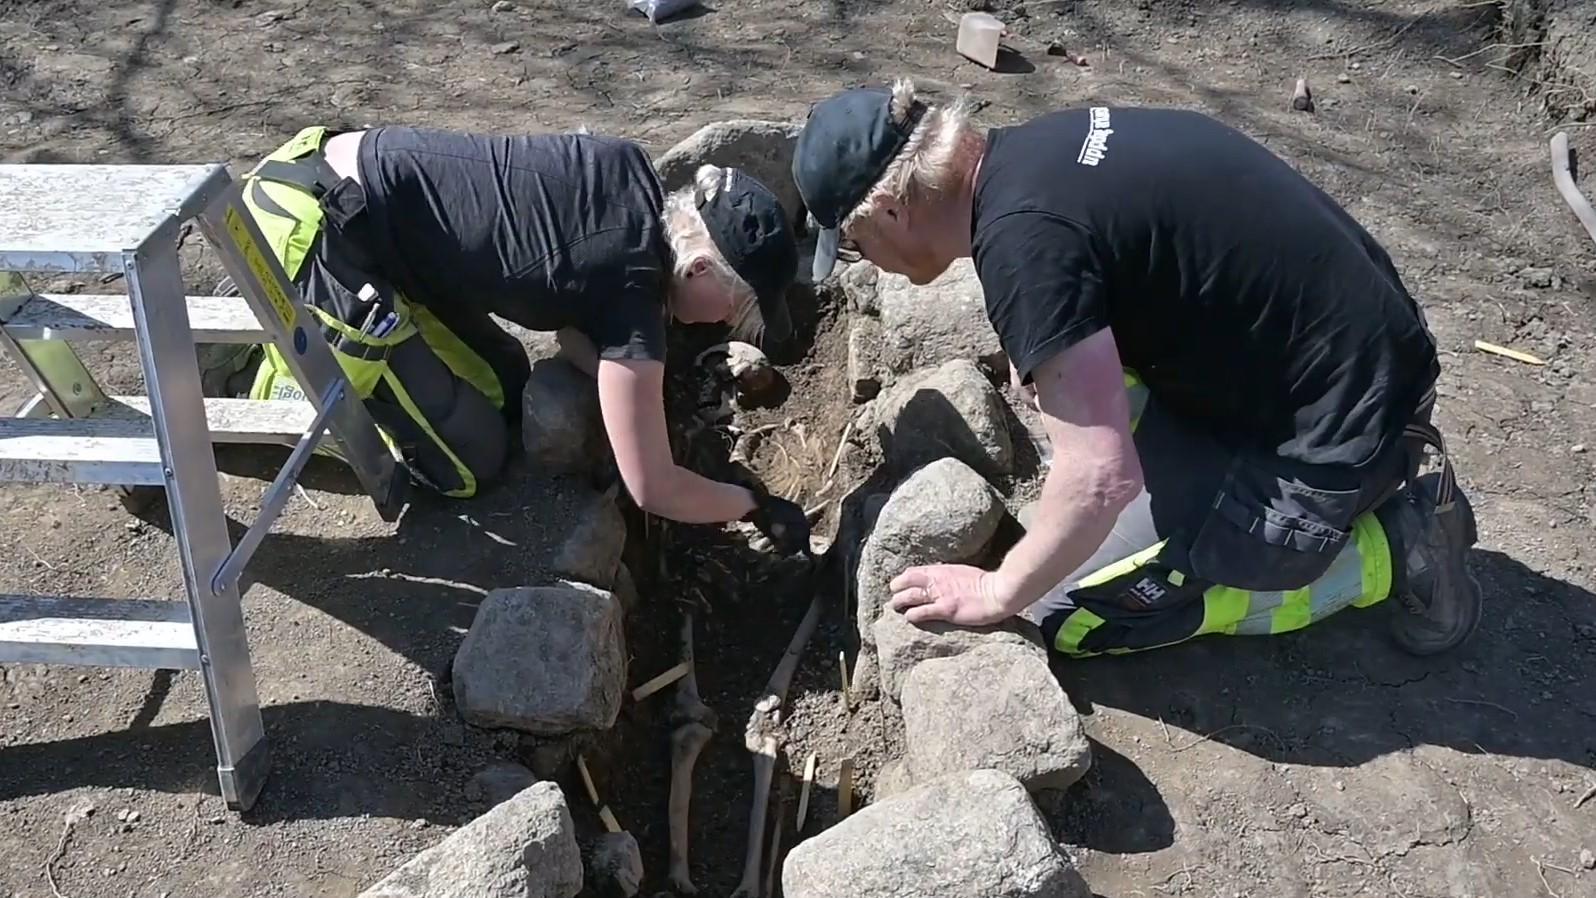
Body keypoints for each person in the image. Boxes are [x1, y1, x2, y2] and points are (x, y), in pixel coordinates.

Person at [790, 80, 1480, 657]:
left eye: (852, 242)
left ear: (889, 208)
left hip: (1337, 440)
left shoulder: (1026, 247)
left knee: (1067, 613)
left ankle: (1399, 544)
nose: (861, 256)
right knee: (1073, 429)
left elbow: (1099, 477)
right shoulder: (1036, 152)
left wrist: (997, 590)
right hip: (1355, 357)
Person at [232, 124, 810, 553]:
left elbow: (577, 335)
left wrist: (648, 400)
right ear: (700, 269)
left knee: (507, 383)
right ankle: (241, 383)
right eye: (734, 307)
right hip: (313, 237)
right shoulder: (630, 287)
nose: (723, 322)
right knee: (473, 460)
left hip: (340, 183)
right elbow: (653, 487)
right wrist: (752, 503)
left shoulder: (630, 178)